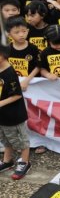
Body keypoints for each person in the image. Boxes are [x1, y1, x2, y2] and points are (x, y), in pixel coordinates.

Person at [0, 44, 31, 180]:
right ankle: (7, 161)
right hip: (2, 115)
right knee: (5, 139)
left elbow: (17, 94)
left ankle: (24, 162)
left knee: (20, 140)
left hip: (14, 115)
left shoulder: (10, 73)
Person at [6, 17, 40, 91]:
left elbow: (38, 66)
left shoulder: (33, 48)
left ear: (28, 31)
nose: (21, 35)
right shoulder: (7, 49)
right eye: (17, 32)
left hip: (30, 84)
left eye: (24, 31)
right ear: (9, 35)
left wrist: (27, 80)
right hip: (12, 84)